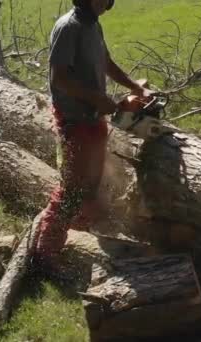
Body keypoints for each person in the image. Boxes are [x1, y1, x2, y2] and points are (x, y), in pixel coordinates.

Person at [35, 0, 151, 270]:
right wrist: (98, 99)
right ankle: (45, 254)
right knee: (73, 189)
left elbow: (106, 62)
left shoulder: (92, 25)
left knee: (93, 183)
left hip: (93, 116)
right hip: (74, 119)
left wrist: (136, 87)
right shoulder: (68, 27)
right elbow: (59, 79)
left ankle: (78, 231)